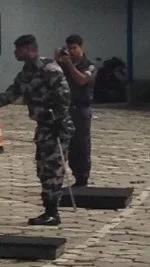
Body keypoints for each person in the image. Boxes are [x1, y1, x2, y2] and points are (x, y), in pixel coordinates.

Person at [0, 35, 74, 226]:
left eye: (17, 49)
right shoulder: (26, 73)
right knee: (43, 168)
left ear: (28, 49)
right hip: (43, 127)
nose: (14, 53)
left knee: (53, 168)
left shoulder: (49, 69)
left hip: (57, 126)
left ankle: (53, 213)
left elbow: (65, 97)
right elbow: (11, 94)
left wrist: (55, 119)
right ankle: (49, 210)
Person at [55, 35, 97, 187]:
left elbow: (82, 80)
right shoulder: (63, 65)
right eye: (69, 48)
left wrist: (70, 65)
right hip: (65, 108)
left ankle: (82, 178)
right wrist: (58, 62)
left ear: (81, 48)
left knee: (82, 144)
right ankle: (62, 177)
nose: (71, 52)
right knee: (67, 144)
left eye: (74, 48)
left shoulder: (89, 65)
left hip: (81, 110)